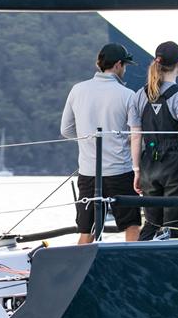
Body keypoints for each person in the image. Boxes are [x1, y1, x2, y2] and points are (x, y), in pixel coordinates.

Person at [60, 43, 141, 244]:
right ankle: (130, 261)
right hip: (120, 171)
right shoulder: (128, 95)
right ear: (118, 65)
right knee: (131, 225)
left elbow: (66, 130)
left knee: (86, 231)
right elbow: (136, 134)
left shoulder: (77, 90)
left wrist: (88, 139)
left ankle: (81, 264)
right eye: (125, 66)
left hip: (88, 172)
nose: (125, 70)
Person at [129, 41, 178, 240]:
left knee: (152, 224)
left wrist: (137, 170)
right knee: (177, 226)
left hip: (149, 164)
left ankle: (141, 255)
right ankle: (175, 259)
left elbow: (135, 136)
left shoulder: (139, 96)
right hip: (176, 164)